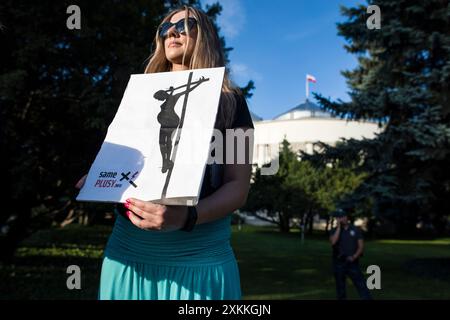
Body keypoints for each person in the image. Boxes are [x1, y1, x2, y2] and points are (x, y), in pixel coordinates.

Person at [76, 5, 254, 300]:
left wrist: (187, 217)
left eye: (185, 25)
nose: (172, 31)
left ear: (206, 36)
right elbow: (127, 159)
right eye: (165, 28)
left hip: (199, 259)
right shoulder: (140, 97)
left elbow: (237, 185)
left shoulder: (232, 102)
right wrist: (101, 178)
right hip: (127, 256)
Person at [329, 209, 372, 300]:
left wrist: (354, 257)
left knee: (361, 285)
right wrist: (339, 228)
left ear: (346, 217)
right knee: (340, 288)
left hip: (353, 262)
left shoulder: (355, 230)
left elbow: (361, 246)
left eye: (342, 216)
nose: (341, 219)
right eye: (339, 217)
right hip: (339, 262)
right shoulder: (334, 230)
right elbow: (333, 242)